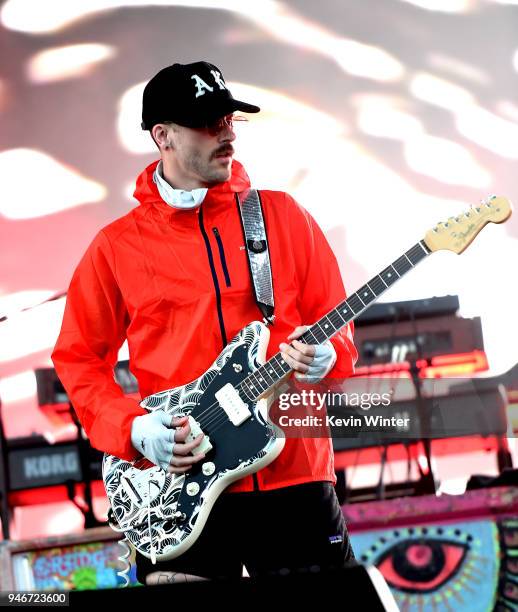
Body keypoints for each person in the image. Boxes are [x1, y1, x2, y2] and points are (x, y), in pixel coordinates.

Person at [51, 61, 359, 585]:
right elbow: (78, 359)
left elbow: (337, 331)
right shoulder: (116, 247)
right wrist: (132, 430)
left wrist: (331, 358)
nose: (226, 132)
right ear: (162, 136)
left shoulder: (285, 217)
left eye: (230, 118)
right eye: (207, 121)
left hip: (294, 472)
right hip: (177, 486)